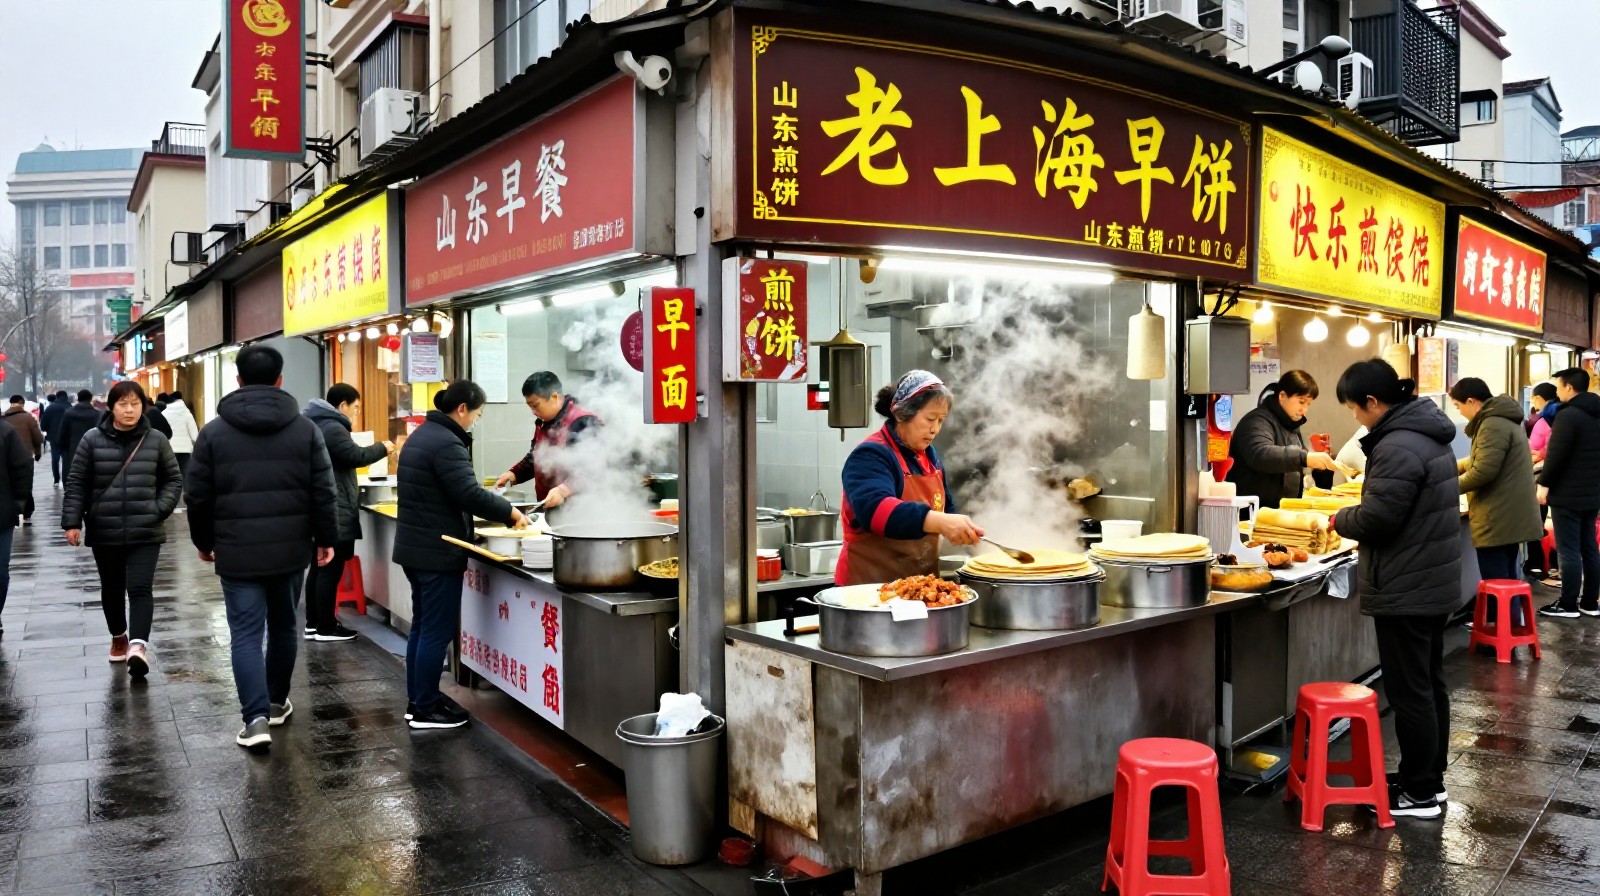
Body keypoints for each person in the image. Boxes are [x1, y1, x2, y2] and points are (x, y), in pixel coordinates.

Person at [185, 345, 338, 752]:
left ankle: (254, 722)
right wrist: (326, 538)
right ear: (280, 380)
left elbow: (197, 496)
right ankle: (275, 702)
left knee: (246, 635)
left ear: (237, 381)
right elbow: (324, 491)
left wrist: (204, 541)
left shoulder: (214, 432)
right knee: (285, 626)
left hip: (237, 552)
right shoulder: (306, 430)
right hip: (290, 550)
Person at [1328, 359, 1460, 820]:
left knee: (1410, 692)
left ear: (1372, 402)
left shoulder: (1398, 444)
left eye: (1354, 409)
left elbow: (1378, 519)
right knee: (1428, 685)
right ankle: (1429, 779)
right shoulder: (1426, 433)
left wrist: (1339, 517)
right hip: (1429, 580)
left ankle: (1420, 793)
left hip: (1408, 585)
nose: (1356, 419)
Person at [397, 381, 529, 730]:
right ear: (462, 410)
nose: (475, 421)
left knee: (423, 627)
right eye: (478, 414)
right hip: (436, 552)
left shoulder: (423, 436)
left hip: (417, 548)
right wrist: (511, 513)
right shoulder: (446, 443)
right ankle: (424, 709)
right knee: (435, 632)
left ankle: (419, 700)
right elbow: (468, 494)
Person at [60, 381, 182, 675]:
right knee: (112, 588)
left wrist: (158, 509)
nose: (130, 410)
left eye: (136, 404)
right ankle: (119, 637)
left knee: (140, 587)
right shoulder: (91, 439)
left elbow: (173, 480)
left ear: (144, 406)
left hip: (145, 528)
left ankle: (138, 646)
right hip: (105, 528)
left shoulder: (156, 439)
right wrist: (72, 521)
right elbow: (77, 483)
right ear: (111, 407)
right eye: (123, 404)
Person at [837, 371, 982, 586]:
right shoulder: (871, 455)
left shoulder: (930, 458)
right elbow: (875, 511)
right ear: (902, 414)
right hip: (868, 593)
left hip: (919, 589)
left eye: (941, 421)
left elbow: (944, 508)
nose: (935, 429)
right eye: (930, 419)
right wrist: (940, 522)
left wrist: (964, 530)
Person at [303, 384, 393, 642]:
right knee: (329, 569)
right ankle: (325, 627)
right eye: (355, 407)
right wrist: (382, 448)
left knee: (319, 568)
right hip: (335, 507)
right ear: (342, 405)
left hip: (323, 506)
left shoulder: (317, 423)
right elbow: (355, 455)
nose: (355, 413)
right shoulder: (332, 427)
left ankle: (314, 623)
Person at [1448, 378, 1541, 583]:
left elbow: (1483, 471)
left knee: (1497, 581)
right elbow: (1484, 458)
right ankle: (1510, 615)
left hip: (1497, 516)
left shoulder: (1491, 424)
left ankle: (1500, 616)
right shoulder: (1503, 418)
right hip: (1509, 514)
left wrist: (1444, 488)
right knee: (1508, 579)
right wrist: (1448, 467)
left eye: (1458, 406)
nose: (1460, 412)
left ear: (1471, 401)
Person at [1536, 368, 1600, 619]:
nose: (1556, 392)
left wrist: (1544, 484)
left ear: (1570, 388)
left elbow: (1556, 455)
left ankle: (1568, 603)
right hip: (1592, 492)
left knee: (1568, 549)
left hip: (1567, 494)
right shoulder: (1596, 413)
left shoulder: (1569, 415)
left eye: (1559, 387)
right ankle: (1590, 602)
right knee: (1589, 547)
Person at [1225, 371, 1341, 509]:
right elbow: (1260, 454)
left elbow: (1294, 464)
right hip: (1252, 513)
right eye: (1301, 402)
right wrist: (1304, 458)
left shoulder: (1291, 426)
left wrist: (1323, 468)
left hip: (1281, 510)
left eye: (1308, 405)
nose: (1304, 410)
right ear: (1282, 396)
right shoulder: (1256, 421)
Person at [491, 371, 600, 509]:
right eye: (530, 406)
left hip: (579, 510)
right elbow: (537, 457)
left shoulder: (582, 421)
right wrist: (514, 473)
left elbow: (594, 468)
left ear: (554, 397)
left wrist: (563, 490)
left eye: (536, 405)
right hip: (549, 507)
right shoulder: (543, 422)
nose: (533, 411)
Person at [0, 418, 32, 636]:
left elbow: (22, 466)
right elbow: (23, 466)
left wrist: (19, 501)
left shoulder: (5, 431)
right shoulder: (6, 430)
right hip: (3, 511)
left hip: (1, 513)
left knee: (0, 569)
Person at [3, 395, 44, 524]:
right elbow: (38, 438)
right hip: (25, 457)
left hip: (5, 457)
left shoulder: (3, 419)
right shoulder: (28, 418)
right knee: (25, 484)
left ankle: (10, 512)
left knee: (7, 484)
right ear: (22, 403)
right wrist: (37, 452)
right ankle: (26, 514)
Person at [58, 390, 101, 471]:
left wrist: (63, 449)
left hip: (73, 450)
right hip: (93, 451)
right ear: (90, 399)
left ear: (78, 398)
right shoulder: (98, 415)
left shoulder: (68, 414)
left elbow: (63, 434)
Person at [162, 389, 200, 482]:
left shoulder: (164, 413)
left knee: (172, 474)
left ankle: (174, 493)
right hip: (185, 449)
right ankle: (187, 493)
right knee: (185, 472)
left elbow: (162, 430)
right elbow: (194, 434)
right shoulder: (187, 414)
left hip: (170, 448)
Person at [39, 391, 69, 486]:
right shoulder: (71, 407)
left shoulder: (50, 408)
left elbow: (43, 424)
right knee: (67, 460)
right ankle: (66, 479)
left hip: (54, 437)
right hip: (67, 438)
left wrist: (47, 430)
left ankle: (56, 479)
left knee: (55, 459)